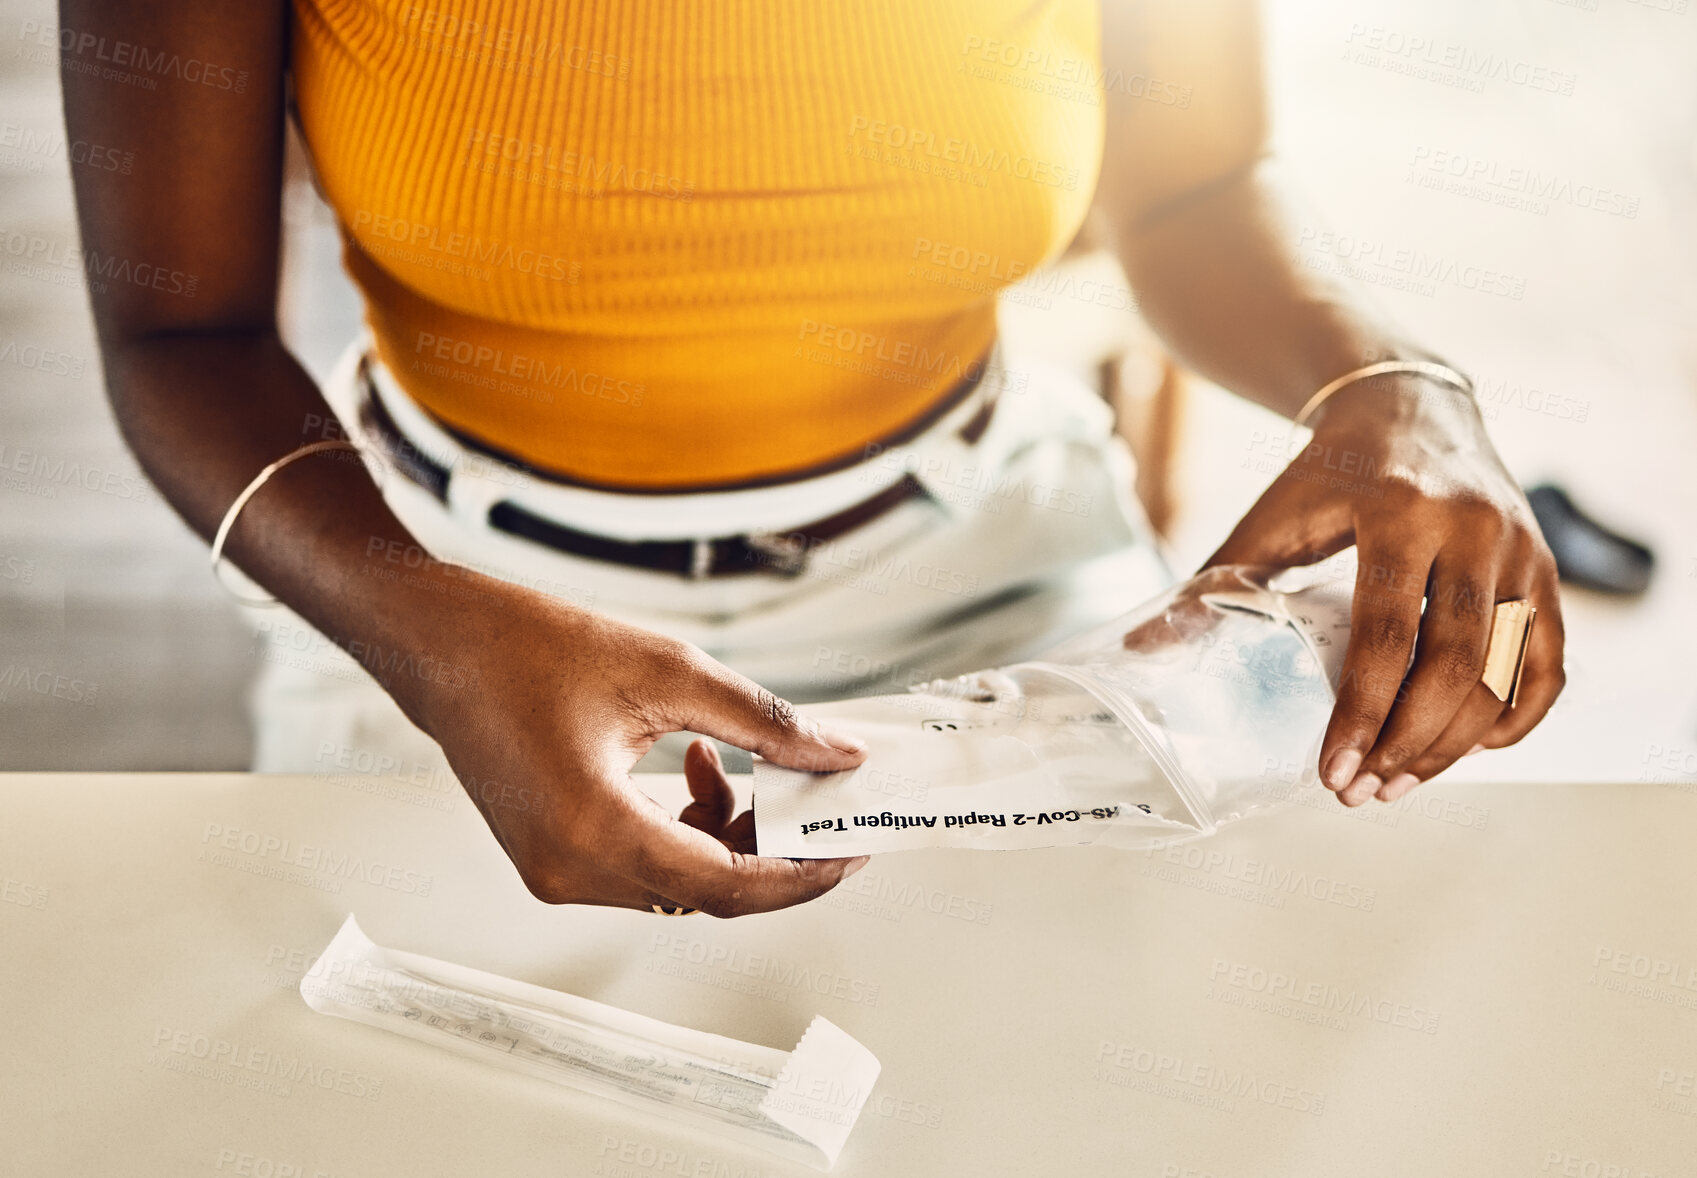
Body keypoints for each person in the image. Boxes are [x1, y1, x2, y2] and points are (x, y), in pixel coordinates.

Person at [60, 0, 1564, 917]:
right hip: (435, 599)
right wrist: (426, 627)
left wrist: (1397, 380)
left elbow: (1196, 184)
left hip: (989, 570)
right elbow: (177, 338)